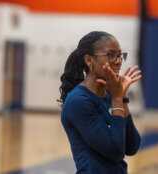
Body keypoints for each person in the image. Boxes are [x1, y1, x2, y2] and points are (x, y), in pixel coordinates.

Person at [58, 31, 142, 174]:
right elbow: (115, 151)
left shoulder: (110, 96)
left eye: (120, 55)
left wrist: (122, 98)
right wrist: (117, 99)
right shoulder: (78, 101)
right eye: (110, 55)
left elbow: (132, 147)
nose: (118, 61)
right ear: (89, 60)